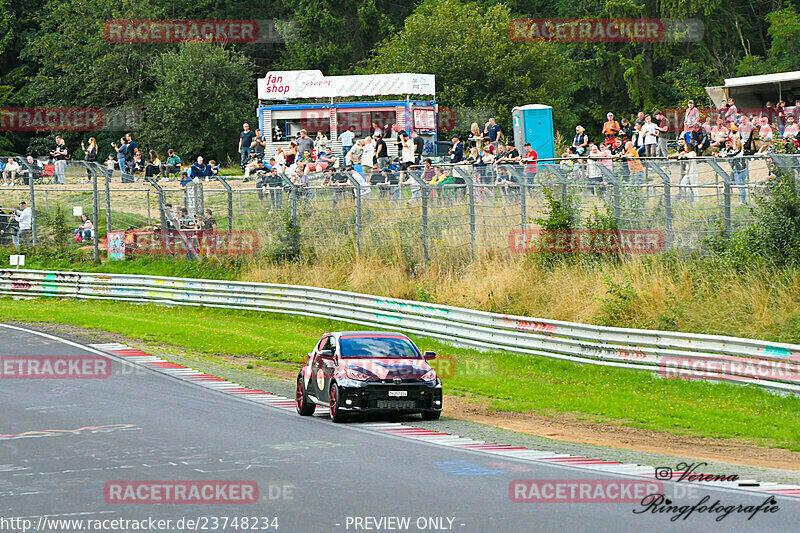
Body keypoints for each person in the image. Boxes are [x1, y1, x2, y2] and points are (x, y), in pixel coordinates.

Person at [716, 138, 747, 204]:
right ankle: (728, 198)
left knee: (740, 185)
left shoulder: (739, 151)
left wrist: (725, 155)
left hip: (740, 170)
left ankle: (743, 201)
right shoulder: (733, 151)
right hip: (735, 170)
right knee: (730, 182)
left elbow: (732, 155)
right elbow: (728, 154)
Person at [668, 138, 698, 202]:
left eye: (685, 147)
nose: (684, 148)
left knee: (693, 187)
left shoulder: (692, 153)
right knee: (683, 184)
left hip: (692, 172)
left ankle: (696, 200)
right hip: (688, 172)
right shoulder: (687, 153)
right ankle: (687, 197)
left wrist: (680, 156)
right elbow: (680, 157)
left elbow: (685, 158)